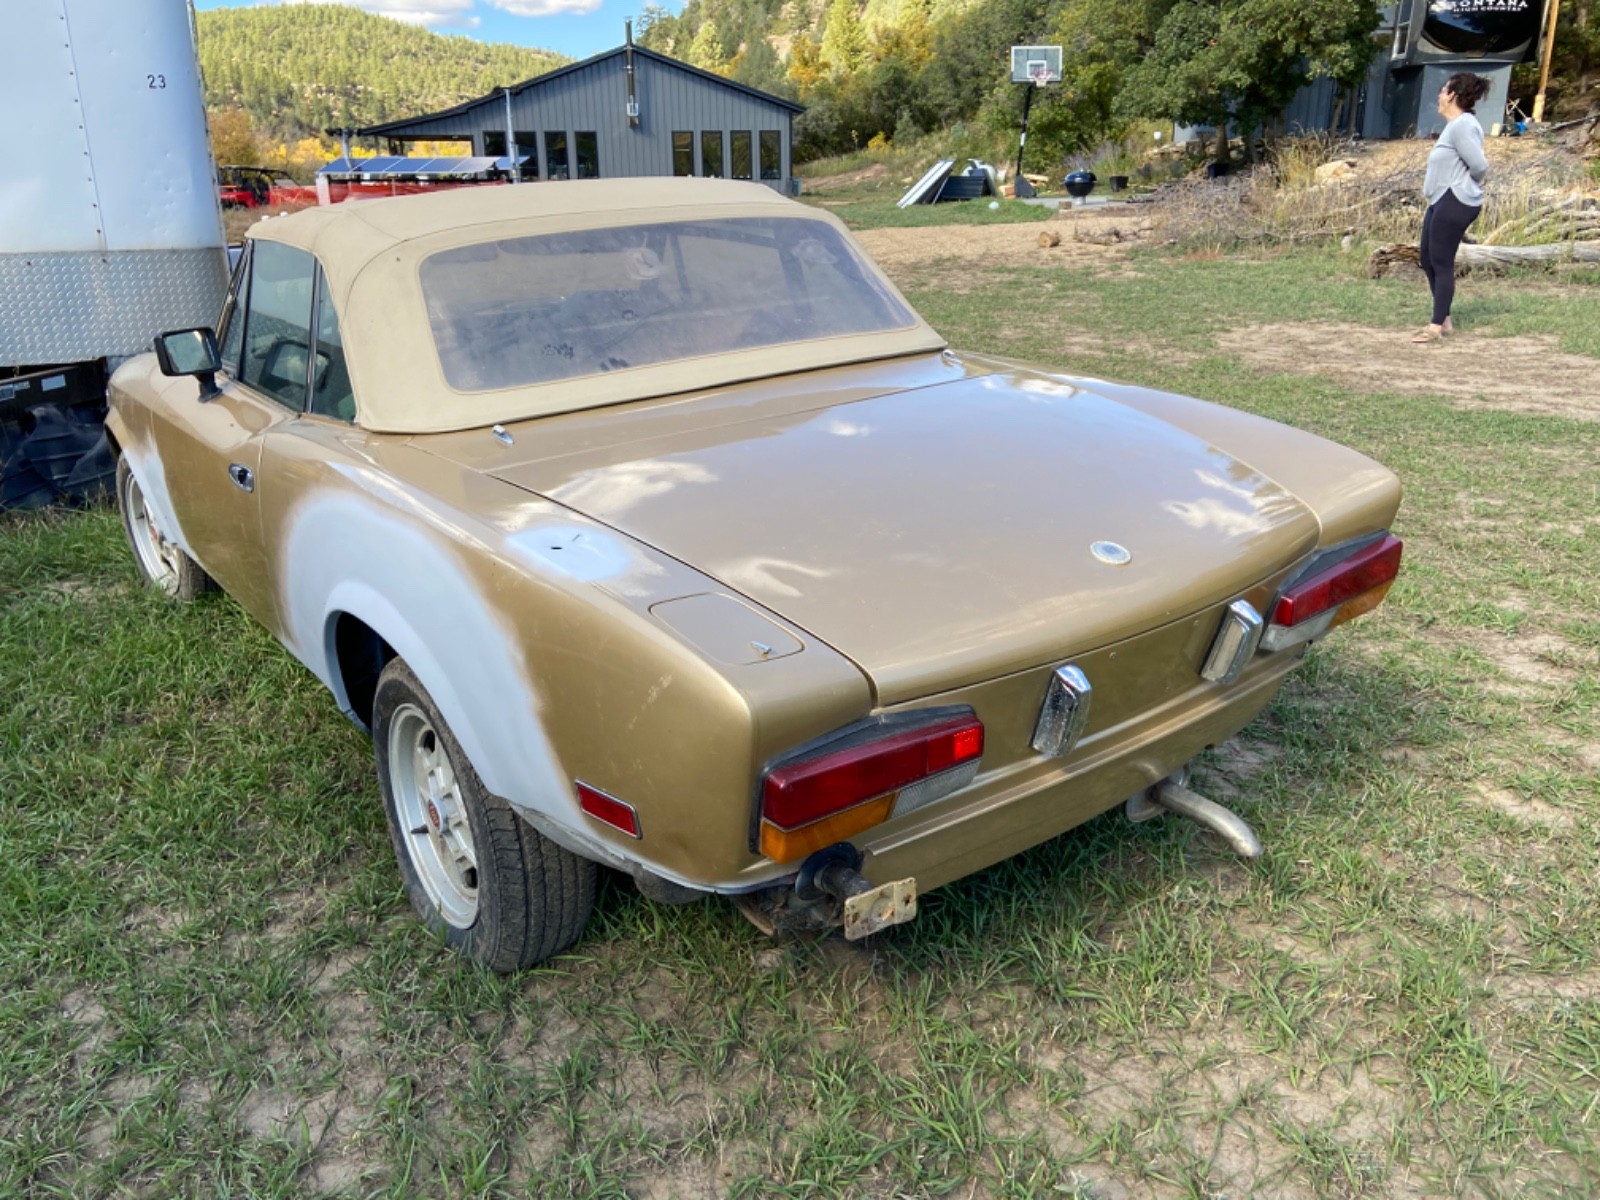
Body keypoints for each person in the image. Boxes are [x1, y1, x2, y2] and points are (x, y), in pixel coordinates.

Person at [1415, 73, 1491, 343]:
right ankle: (1444, 318)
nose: (1438, 95)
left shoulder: (1463, 125)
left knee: (1441, 261)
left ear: (1452, 95)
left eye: (1442, 90)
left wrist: (1463, 186)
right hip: (1441, 199)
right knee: (1427, 257)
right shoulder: (1455, 126)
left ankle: (1436, 327)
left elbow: (1480, 166)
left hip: (1455, 199)